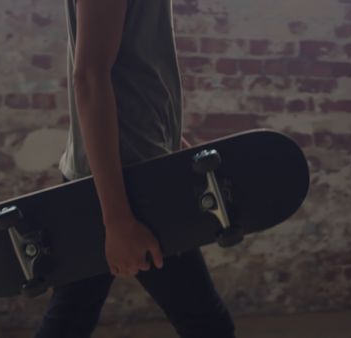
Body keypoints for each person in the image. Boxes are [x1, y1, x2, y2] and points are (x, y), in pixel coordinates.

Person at [34, 0, 236, 337]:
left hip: (132, 171)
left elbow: (137, 79)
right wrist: (117, 220)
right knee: (207, 326)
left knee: (70, 319)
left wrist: (176, 152)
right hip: (132, 183)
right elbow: (89, 77)